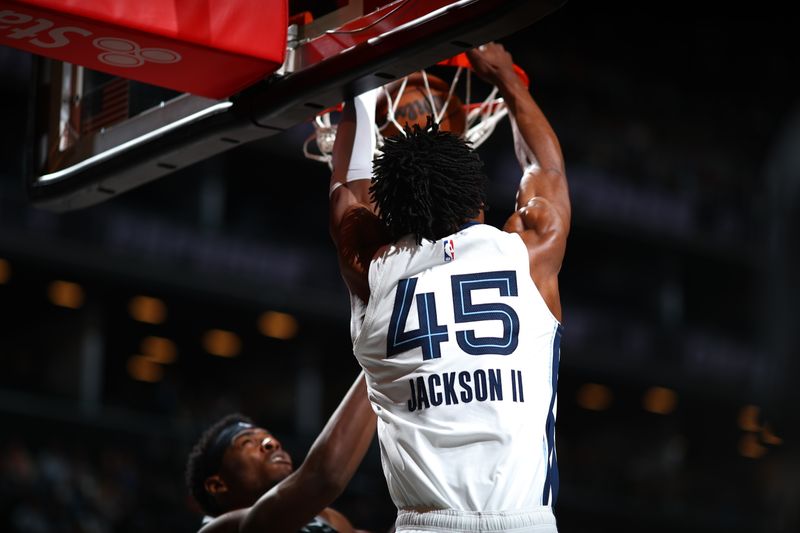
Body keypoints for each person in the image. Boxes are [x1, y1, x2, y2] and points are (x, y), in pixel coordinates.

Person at [327, 43, 570, 533]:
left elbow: (346, 195)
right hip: (524, 522)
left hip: (425, 525)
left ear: (387, 214)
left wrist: (360, 88)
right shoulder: (527, 256)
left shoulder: (372, 273)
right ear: (477, 196)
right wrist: (507, 77)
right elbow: (548, 172)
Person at [185, 372, 376, 533]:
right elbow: (324, 477)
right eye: (247, 442)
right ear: (217, 485)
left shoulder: (327, 517)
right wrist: (376, 363)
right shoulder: (219, 529)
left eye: (267, 437)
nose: (271, 443)